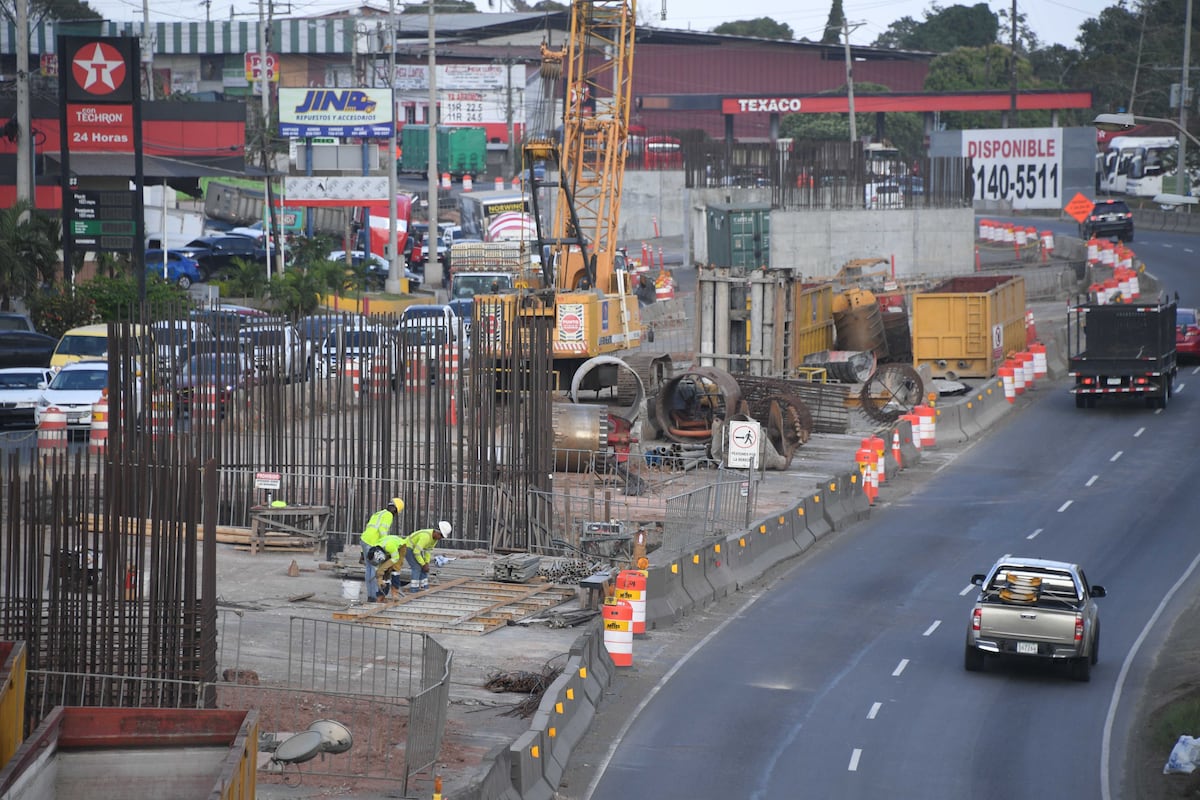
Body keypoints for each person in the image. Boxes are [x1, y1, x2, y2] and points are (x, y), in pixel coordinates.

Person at [360, 498, 402, 602]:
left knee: (369, 569)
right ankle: (375, 596)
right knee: (375, 569)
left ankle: (371, 596)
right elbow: (382, 530)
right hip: (372, 543)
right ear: (395, 510)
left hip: (364, 540)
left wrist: (362, 552)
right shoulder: (388, 515)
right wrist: (385, 544)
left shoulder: (379, 513)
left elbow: (369, 527)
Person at [405, 520, 451, 593]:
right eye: (441, 535)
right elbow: (416, 552)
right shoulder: (425, 537)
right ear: (436, 531)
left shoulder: (434, 539)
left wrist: (426, 563)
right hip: (408, 547)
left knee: (424, 567)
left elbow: (428, 551)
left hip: (415, 549)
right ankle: (414, 590)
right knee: (416, 567)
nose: (440, 538)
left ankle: (424, 587)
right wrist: (423, 564)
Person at [370, 532, 409, 600]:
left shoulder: (390, 547)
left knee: (395, 570)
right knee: (386, 572)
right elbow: (379, 568)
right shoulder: (376, 549)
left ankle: (395, 593)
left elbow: (395, 558)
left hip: (400, 547)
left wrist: (383, 568)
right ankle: (382, 594)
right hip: (387, 549)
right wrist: (380, 579)